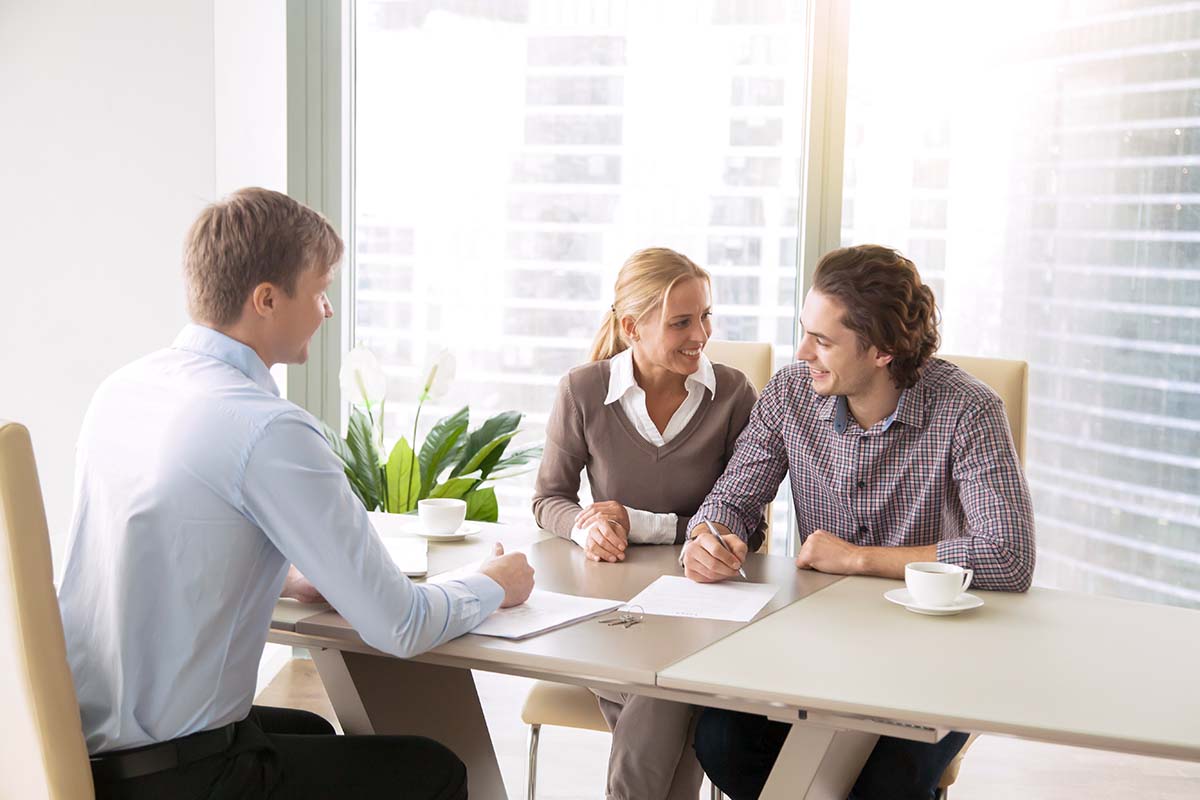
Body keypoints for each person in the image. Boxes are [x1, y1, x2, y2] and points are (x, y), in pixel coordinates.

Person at [57, 187, 535, 800]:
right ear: (266, 299)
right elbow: (400, 625)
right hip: (184, 776)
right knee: (434, 771)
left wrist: (285, 579)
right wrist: (496, 581)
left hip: (88, 753)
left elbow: (152, 540)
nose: (326, 310)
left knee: (309, 728)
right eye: (319, 289)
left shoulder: (125, 389)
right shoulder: (265, 427)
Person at [683, 244, 1036, 800]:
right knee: (722, 738)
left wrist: (860, 559)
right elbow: (731, 500)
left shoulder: (969, 410)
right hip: (814, 647)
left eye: (823, 341)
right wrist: (708, 536)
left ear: (885, 350)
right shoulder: (789, 393)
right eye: (805, 332)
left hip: (936, 658)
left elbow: (1008, 556)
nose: (803, 352)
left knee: (886, 782)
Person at [531, 247, 764, 800]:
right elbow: (549, 500)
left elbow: (749, 529)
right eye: (681, 321)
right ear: (632, 327)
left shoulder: (732, 395)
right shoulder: (582, 391)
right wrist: (587, 527)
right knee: (672, 692)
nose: (700, 334)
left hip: (699, 608)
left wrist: (639, 523)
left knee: (665, 685)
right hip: (599, 610)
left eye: (705, 316)